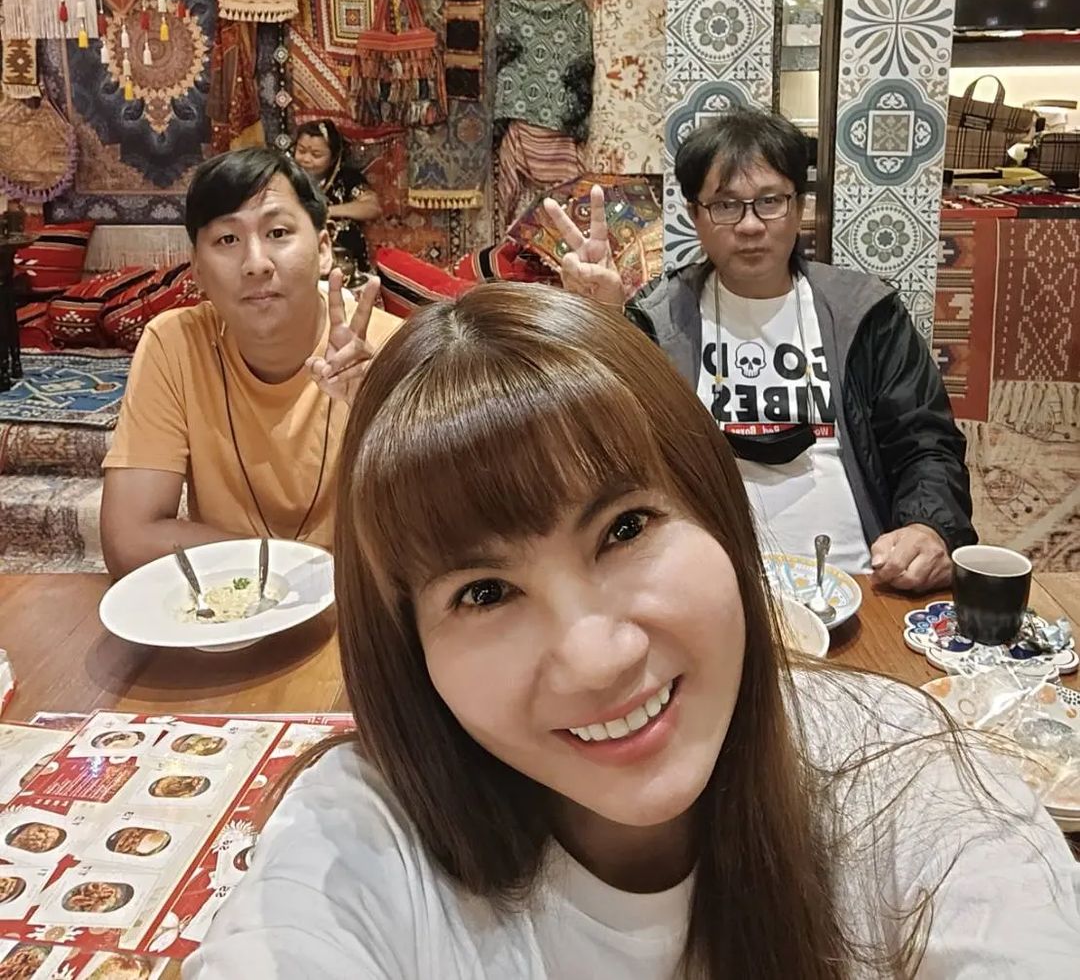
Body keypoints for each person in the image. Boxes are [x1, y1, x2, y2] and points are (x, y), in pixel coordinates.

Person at [184, 286, 1080, 979]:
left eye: (625, 529)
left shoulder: (908, 783)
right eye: (485, 593)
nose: (598, 658)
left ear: (717, 509)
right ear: (407, 645)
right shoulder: (358, 844)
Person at [543, 109, 974, 590]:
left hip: (859, 580)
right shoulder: (657, 321)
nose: (750, 225)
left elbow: (926, 444)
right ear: (694, 215)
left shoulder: (864, 312)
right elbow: (598, 454)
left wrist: (928, 526)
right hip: (706, 591)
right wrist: (601, 326)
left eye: (769, 201)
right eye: (725, 205)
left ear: (799, 206)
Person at [100, 147, 399, 579]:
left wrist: (379, 411)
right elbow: (130, 539)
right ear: (197, 269)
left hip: (359, 607)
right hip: (231, 608)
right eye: (227, 240)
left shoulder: (389, 350)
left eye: (278, 232)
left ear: (323, 249)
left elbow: (441, 539)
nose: (256, 263)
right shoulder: (176, 345)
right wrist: (289, 569)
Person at [293, 119, 381, 282]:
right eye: (301, 151)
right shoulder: (286, 178)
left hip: (345, 264)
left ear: (333, 157)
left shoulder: (347, 179)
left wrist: (327, 211)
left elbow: (372, 207)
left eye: (316, 155)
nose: (306, 159)